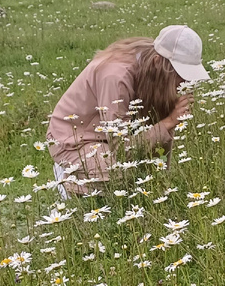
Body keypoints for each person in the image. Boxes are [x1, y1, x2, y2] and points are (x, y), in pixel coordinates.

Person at [47, 25, 209, 194]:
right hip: (75, 140)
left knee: (140, 177)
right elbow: (122, 151)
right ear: (158, 62)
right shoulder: (116, 77)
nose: (184, 82)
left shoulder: (156, 69)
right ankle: (69, 182)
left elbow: (161, 132)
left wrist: (161, 180)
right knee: (120, 175)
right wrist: (169, 121)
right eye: (180, 74)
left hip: (110, 137)